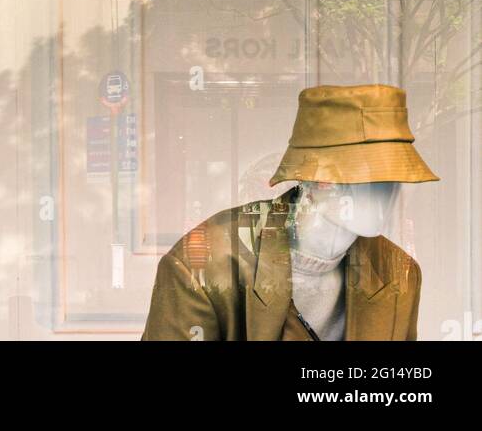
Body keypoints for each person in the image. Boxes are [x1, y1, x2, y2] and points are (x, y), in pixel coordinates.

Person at [142, 84, 438, 341]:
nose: (387, 192)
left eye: (394, 176)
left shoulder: (398, 273)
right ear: (315, 181)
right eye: (368, 177)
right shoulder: (205, 263)